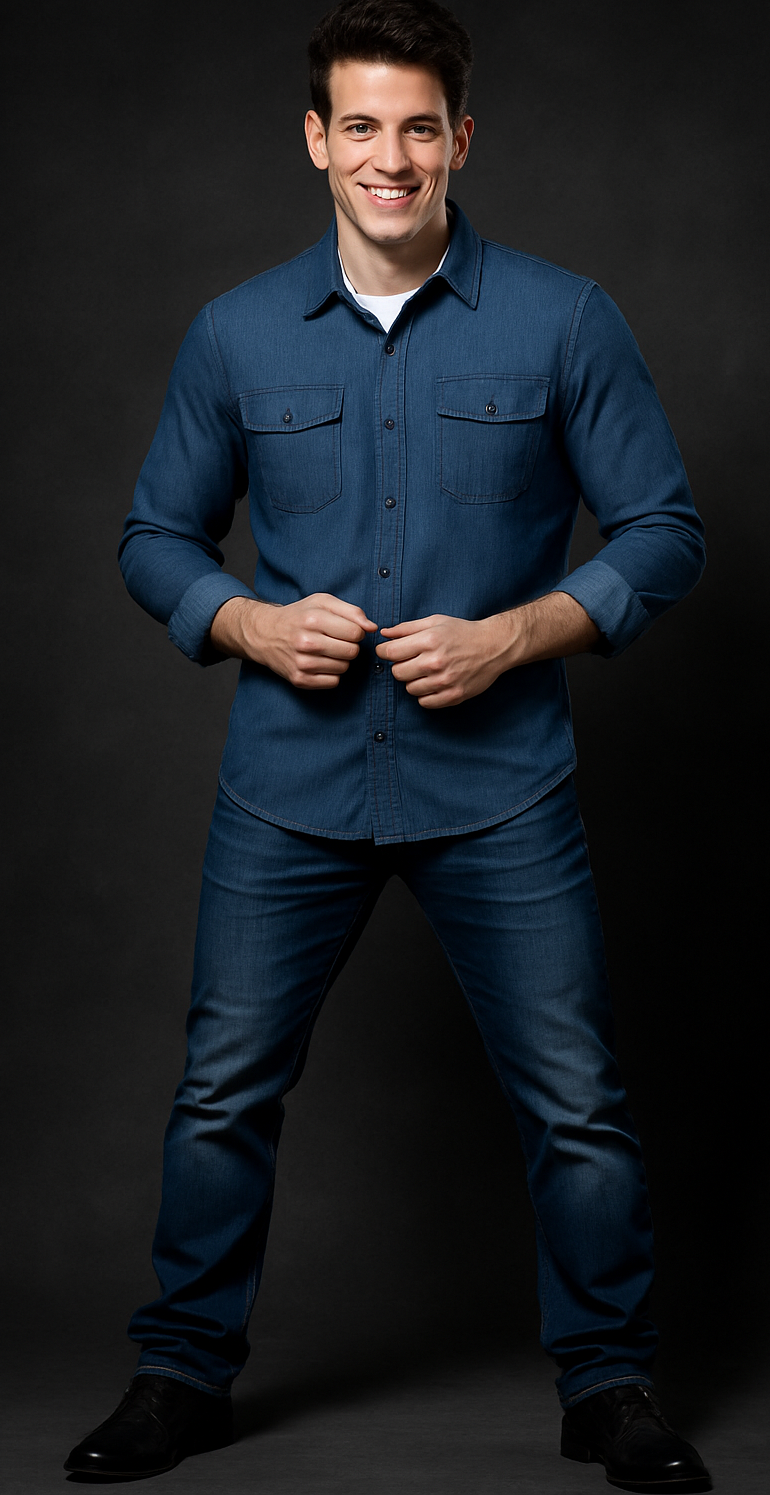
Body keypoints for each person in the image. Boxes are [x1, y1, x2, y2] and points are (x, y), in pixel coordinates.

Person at [65, 2, 711, 1488]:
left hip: (503, 789)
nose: (391, 156)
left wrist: (516, 634)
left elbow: (665, 532)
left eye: (420, 126)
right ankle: (182, 1376)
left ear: (461, 139)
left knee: (576, 1102)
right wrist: (244, 622)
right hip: (285, 790)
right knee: (222, 1092)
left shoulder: (566, 319)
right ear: (316, 140)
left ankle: (609, 1388)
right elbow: (155, 537)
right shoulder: (233, 332)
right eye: (360, 125)